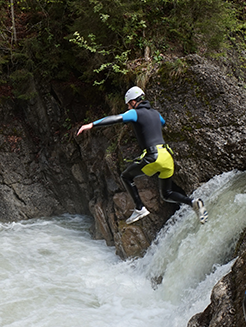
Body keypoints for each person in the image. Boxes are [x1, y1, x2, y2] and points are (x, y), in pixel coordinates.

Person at [77, 86, 207, 224]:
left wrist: (91, 125)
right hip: (167, 156)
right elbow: (162, 123)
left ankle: (139, 208)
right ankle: (193, 202)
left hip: (154, 156)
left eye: (128, 104)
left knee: (126, 176)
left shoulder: (135, 113)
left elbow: (115, 118)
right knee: (167, 194)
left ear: (133, 102)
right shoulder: (156, 114)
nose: (128, 107)